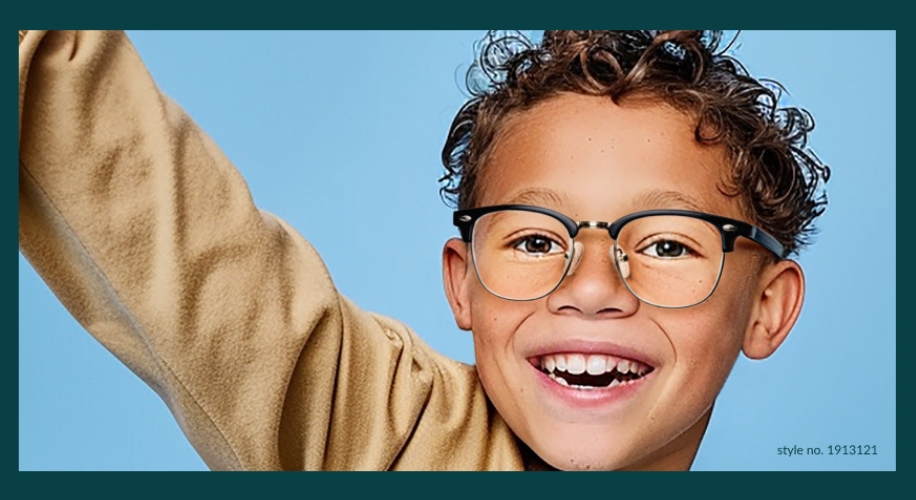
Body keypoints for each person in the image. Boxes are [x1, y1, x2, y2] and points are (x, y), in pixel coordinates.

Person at [19, 30, 832, 470]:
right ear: (463, 283)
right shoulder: (381, 437)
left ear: (769, 307)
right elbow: (118, 162)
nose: (590, 287)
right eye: (536, 238)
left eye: (664, 243)